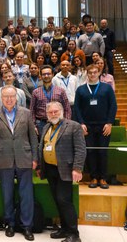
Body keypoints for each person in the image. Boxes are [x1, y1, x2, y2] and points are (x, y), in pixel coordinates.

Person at [0, 85, 38, 241]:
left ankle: (27, 226)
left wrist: (35, 158)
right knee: (7, 193)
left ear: (16, 97)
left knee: (26, 194)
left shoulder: (27, 113)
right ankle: (9, 223)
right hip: (4, 158)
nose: (9, 99)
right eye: (5, 97)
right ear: (0, 98)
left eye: (11, 96)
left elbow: (33, 137)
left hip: (25, 157)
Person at [37, 101, 86, 242]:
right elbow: (42, 147)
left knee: (64, 200)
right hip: (50, 169)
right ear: (46, 114)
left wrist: (77, 168)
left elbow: (80, 149)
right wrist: (40, 167)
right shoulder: (46, 127)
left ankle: (74, 233)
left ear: (62, 111)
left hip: (65, 169)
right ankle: (64, 229)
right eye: (50, 112)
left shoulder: (73, 126)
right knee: (57, 200)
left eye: (55, 111)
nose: (53, 114)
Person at [73, 64, 117, 189]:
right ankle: (93, 177)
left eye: (94, 72)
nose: (92, 74)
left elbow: (113, 106)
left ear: (99, 73)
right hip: (87, 127)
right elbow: (77, 108)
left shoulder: (106, 88)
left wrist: (109, 123)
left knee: (102, 152)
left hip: (104, 126)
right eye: (90, 72)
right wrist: (81, 124)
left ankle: (103, 178)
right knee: (90, 152)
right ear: (87, 73)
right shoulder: (81, 90)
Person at [30, 65, 72, 135]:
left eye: (48, 74)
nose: (46, 76)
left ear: (53, 75)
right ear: (40, 76)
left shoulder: (61, 91)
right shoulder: (35, 92)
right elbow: (32, 110)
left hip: (58, 122)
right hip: (41, 124)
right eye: (44, 74)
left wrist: (66, 123)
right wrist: (33, 125)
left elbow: (67, 108)